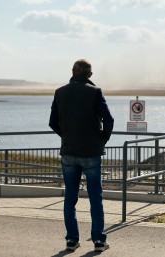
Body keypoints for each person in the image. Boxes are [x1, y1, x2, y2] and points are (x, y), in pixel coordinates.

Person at [49, 59, 114, 252]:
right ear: (90, 75)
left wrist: (67, 137)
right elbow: (109, 120)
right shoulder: (94, 92)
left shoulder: (60, 92)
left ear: (73, 71)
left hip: (68, 151)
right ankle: (99, 241)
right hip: (91, 153)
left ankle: (71, 240)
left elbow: (52, 122)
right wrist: (101, 140)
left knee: (70, 197)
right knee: (96, 197)